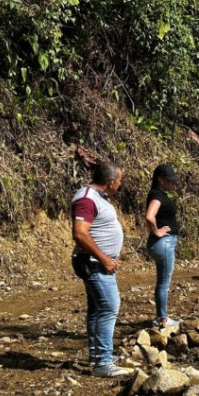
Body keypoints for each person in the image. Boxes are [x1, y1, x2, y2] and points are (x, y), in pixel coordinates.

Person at [71, 160, 131, 377]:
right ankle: (103, 362)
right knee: (109, 307)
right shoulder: (86, 199)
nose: (120, 184)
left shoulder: (98, 197)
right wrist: (104, 257)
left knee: (97, 309)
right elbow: (79, 233)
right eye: (120, 180)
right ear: (110, 181)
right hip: (93, 262)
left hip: (99, 261)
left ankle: (98, 355)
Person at [145, 163, 181, 329]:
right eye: (170, 180)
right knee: (163, 283)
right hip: (163, 243)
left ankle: (160, 316)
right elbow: (149, 216)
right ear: (160, 180)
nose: (173, 184)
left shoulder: (158, 194)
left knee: (162, 282)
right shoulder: (157, 195)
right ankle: (163, 319)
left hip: (161, 244)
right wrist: (157, 231)